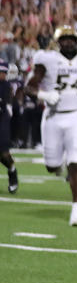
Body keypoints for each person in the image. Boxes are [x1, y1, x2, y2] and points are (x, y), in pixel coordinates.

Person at [24, 25, 77, 226]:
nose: (68, 43)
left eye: (71, 39)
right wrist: (44, 95)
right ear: (57, 43)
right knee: (52, 166)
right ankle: (60, 162)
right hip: (53, 117)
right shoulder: (47, 59)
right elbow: (29, 87)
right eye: (64, 40)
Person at [0, 60, 18, 193]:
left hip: (2, 119)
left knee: (4, 154)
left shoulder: (6, 86)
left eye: (4, 72)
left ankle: (12, 170)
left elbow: (7, 102)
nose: (2, 74)